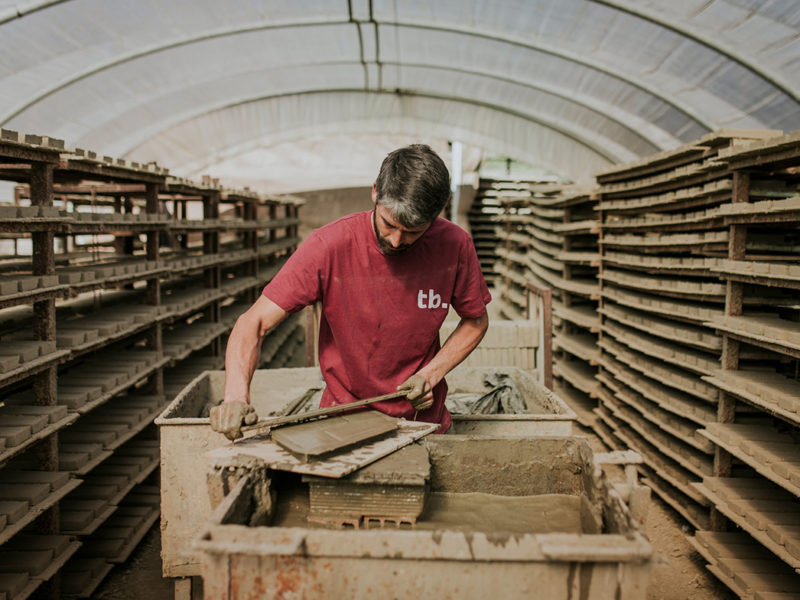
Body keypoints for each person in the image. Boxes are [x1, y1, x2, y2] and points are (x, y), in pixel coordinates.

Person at [210, 144, 491, 440]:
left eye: (413, 232)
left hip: (422, 423)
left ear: (436, 217)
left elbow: (475, 321)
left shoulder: (454, 245)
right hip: (342, 422)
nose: (396, 241)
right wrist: (235, 397)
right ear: (375, 192)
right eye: (389, 224)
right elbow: (253, 323)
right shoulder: (329, 246)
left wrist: (431, 375)